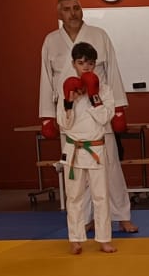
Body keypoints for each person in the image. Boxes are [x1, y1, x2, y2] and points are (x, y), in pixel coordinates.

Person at [38, 0, 136, 234]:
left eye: (76, 8)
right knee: (77, 174)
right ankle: (85, 219)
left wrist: (118, 109)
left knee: (110, 166)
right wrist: (47, 116)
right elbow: (46, 78)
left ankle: (122, 215)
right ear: (59, 14)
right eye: (67, 9)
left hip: (98, 109)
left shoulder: (99, 35)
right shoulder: (51, 40)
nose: (72, 13)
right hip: (69, 113)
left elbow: (112, 70)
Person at [47, 41, 119, 255]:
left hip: (96, 149)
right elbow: (63, 124)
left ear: (95, 64)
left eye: (90, 63)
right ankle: (75, 239)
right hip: (74, 150)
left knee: (101, 196)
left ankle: (104, 239)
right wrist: (69, 103)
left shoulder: (104, 90)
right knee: (74, 196)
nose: (85, 67)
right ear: (73, 64)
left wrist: (94, 97)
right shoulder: (67, 89)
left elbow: (105, 118)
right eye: (81, 63)